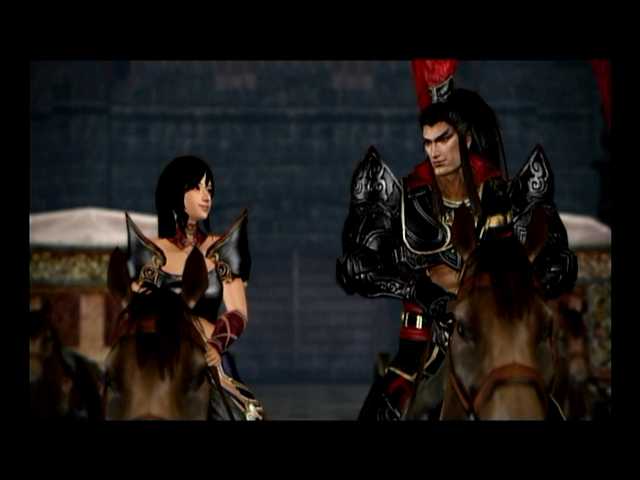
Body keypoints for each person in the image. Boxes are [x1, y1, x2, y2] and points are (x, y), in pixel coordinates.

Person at [336, 60, 577, 420]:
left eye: (443, 139)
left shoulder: (502, 194)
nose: (434, 152)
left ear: (465, 139)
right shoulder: (406, 197)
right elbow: (357, 268)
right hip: (422, 344)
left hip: (499, 340)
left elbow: (560, 263)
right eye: (428, 142)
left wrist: (517, 285)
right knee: (385, 408)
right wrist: (420, 290)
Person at [124, 154, 263, 420]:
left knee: (247, 414)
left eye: (209, 189)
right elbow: (137, 310)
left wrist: (217, 345)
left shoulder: (221, 249)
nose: (206, 196)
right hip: (157, 358)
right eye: (197, 188)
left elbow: (238, 312)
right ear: (176, 192)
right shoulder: (149, 252)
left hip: (209, 355)